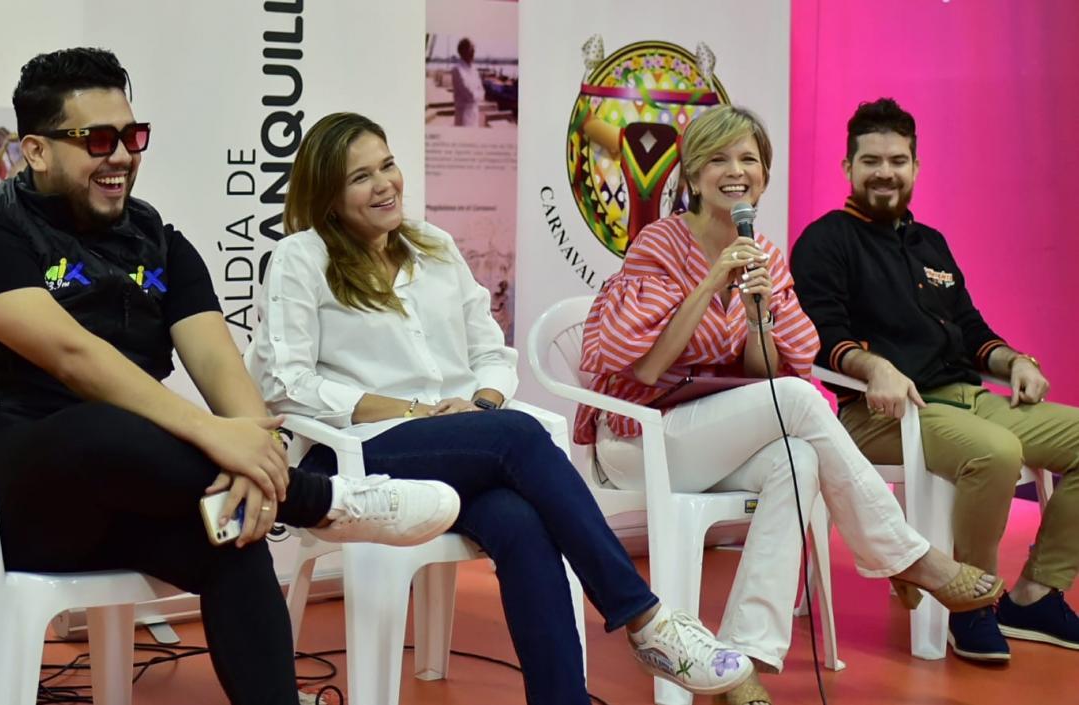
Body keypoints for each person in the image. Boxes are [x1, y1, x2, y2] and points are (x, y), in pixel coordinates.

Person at [0, 48, 460, 705]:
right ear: (36, 151)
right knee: (97, 425)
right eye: (98, 139)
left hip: (128, 490)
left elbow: (229, 384)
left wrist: (252, 454)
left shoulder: (160, 245)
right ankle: (322, 501)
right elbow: (74, 357)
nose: (121, 155)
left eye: (132, 136)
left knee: (232, 534)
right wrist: (220, 440)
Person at [247, 111, 756, 705]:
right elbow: (286, 382)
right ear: (328, 197)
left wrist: (480, 402)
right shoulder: (301, 258)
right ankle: (644, 619)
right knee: (515, 436)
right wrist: (412, 410)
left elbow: (490, 349)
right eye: (361, 177)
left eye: (387, 165)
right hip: (357, 457)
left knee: (518, 520)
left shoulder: (432, 246)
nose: (385, 184)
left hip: (461, 443)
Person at [575, 105, 1003, 705]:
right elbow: (644, 365)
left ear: (765, 175)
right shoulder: (660, 243)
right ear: (693, 176)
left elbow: (768, 375)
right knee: (802, 402)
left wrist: (756, 320)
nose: (736, 171)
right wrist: (710, 282)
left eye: (749, 159)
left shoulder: (765, 256)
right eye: (719, 159)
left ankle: (741, 661)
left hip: (713, 434)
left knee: (799, 457)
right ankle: (906, 556)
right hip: (640, 437)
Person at [790, 97, 1079, 662]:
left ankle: (1036, 594)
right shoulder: (825, 240)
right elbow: (820, 336)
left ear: (915, 168)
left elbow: (972, 331)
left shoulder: (932, 244)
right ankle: (968, 601)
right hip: (878, 415)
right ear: (848, 168)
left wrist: (1016, 361)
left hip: (967, 398)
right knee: (996, 453)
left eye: (897, 160)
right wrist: (875, 366)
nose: (884, 172)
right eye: (870, 160)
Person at [451, 37, 485, 127]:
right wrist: (477, 95)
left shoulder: (474, 70)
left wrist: (477, 95)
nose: (474, 52)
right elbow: (469, 94)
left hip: (475, 114)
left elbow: (482, 92)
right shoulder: (457, 70)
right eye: (471, 49)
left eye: (474, 49)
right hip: (463, 117)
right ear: (463, 51)